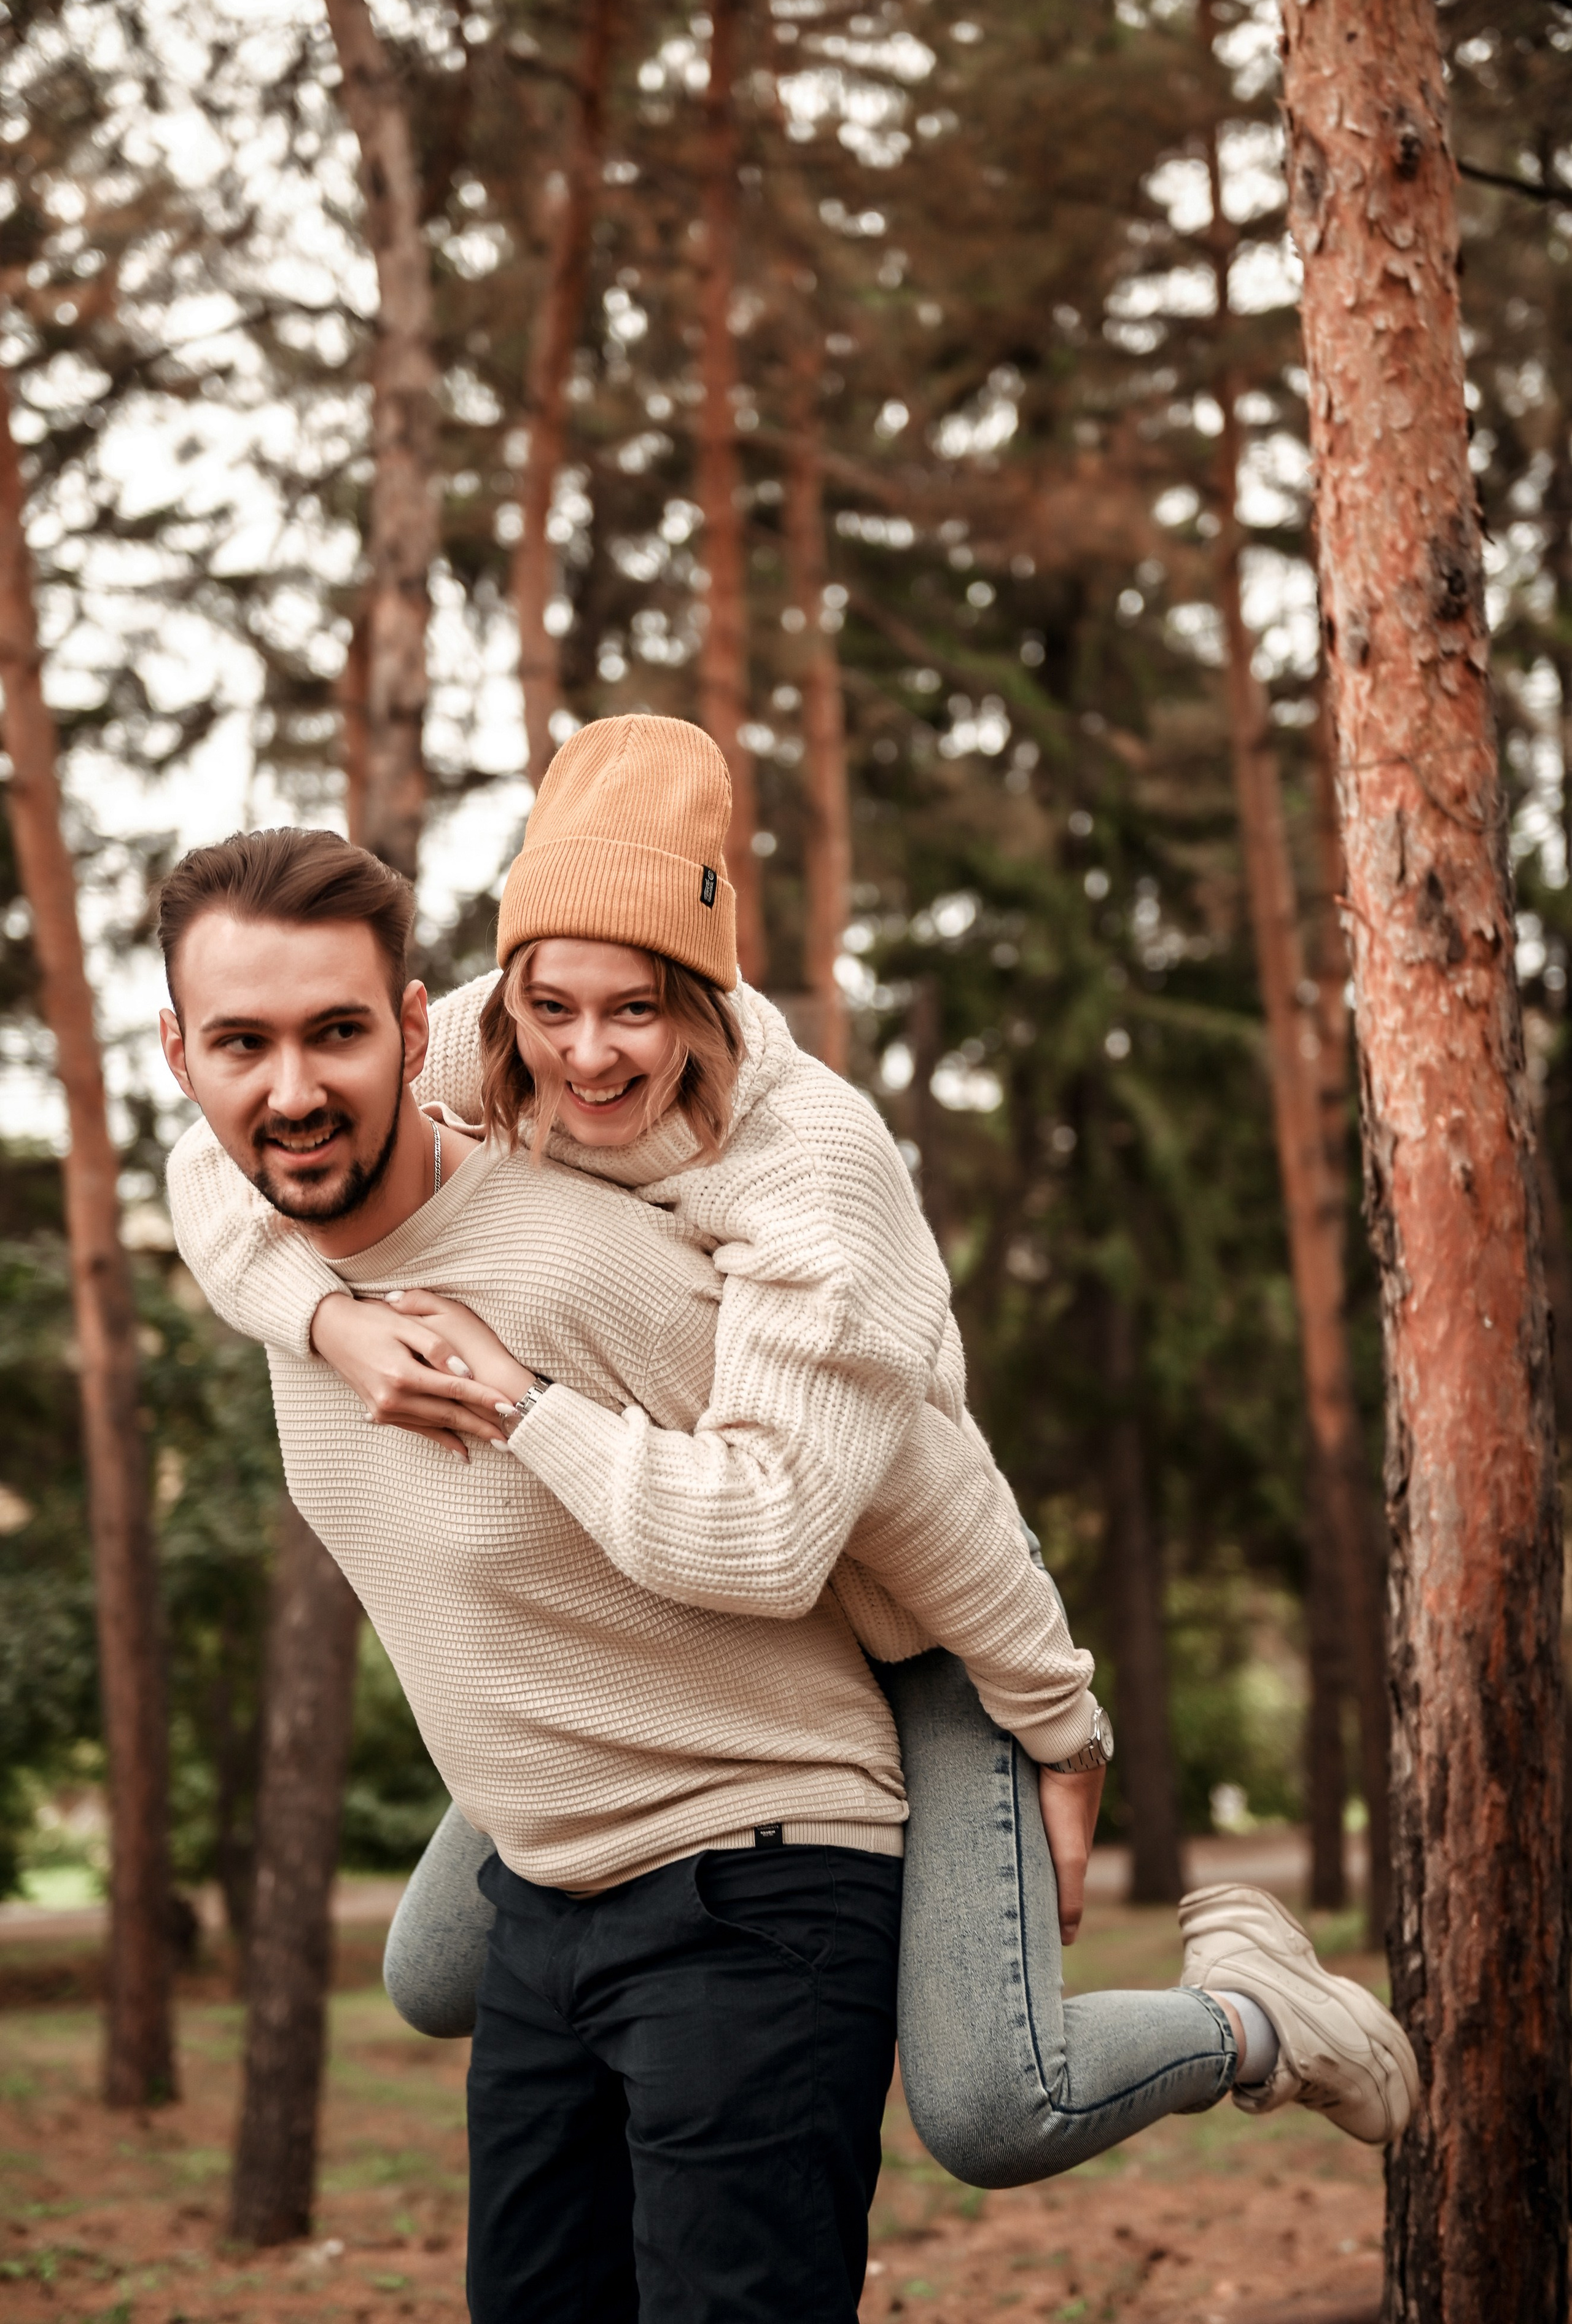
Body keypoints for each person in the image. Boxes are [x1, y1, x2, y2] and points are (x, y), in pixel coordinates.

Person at [160, 795, 1415, 2310]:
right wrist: (330, 1315)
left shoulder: (770, 1183)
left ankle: (1251, 2022)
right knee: (431, 1972)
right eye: (239, 1046)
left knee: (989, 2100)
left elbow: (896, 1506)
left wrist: (1058, 1715)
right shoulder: (352, 1161)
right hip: (579, 1841)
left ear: (404, 1025)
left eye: (638, 1011)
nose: (590, 1051)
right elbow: (213, 1171)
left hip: (872, 1649)